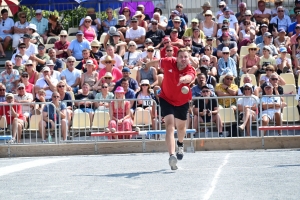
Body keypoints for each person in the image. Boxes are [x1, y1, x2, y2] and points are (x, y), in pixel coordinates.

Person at [143, 48, 196, 170]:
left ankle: (180, 144)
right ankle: (172, 156)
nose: (183, 59)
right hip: (166, 98)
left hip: (182, 101)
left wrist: (183, 79)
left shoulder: (190, 69)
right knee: (170, 126)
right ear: (176, 58)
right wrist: (147, 64)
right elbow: (156, 62)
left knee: (181, 127)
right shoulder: (169, 61)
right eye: (181, 56)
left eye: (185, 57)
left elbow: (189, 77)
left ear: (189, 59)